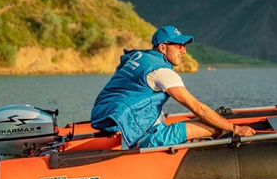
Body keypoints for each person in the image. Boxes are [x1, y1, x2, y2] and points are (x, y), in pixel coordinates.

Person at [91, 25, 256, 149]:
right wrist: (236, 128)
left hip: (103, 116)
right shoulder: (161, 72)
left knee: (206, 122)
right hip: (140, 135)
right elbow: (198, 108)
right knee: (217, 129)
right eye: (178, 45)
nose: (184, 51)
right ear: (163, 47)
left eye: (184, 45)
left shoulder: (138, 56)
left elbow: (125, 78)